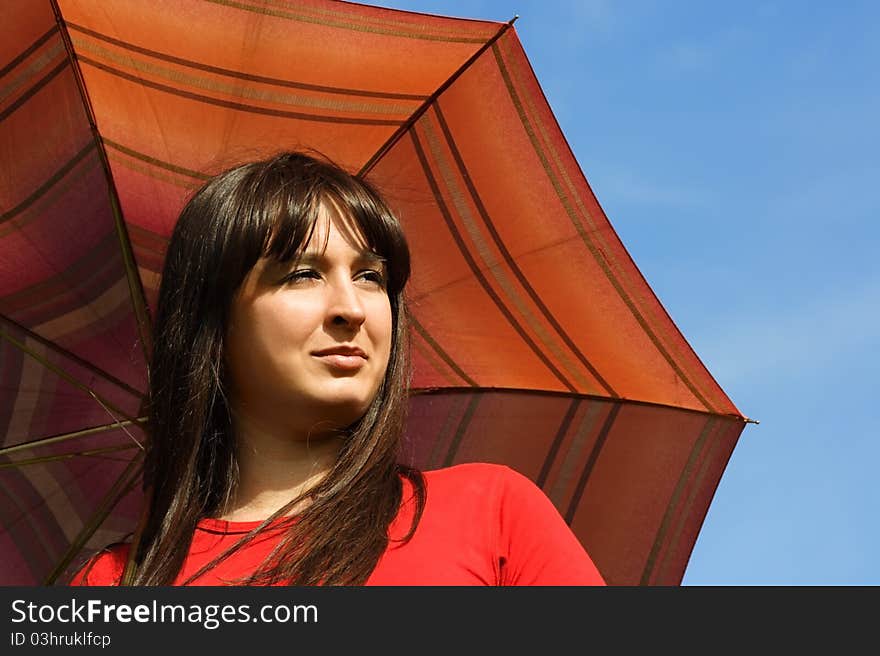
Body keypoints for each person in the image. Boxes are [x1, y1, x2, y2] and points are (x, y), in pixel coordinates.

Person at [70, 151, 605, 586]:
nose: (351, 307)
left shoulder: (490, 514)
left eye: (371, 276)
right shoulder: (116, 584)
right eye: (303, 274)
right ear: (213, 320)